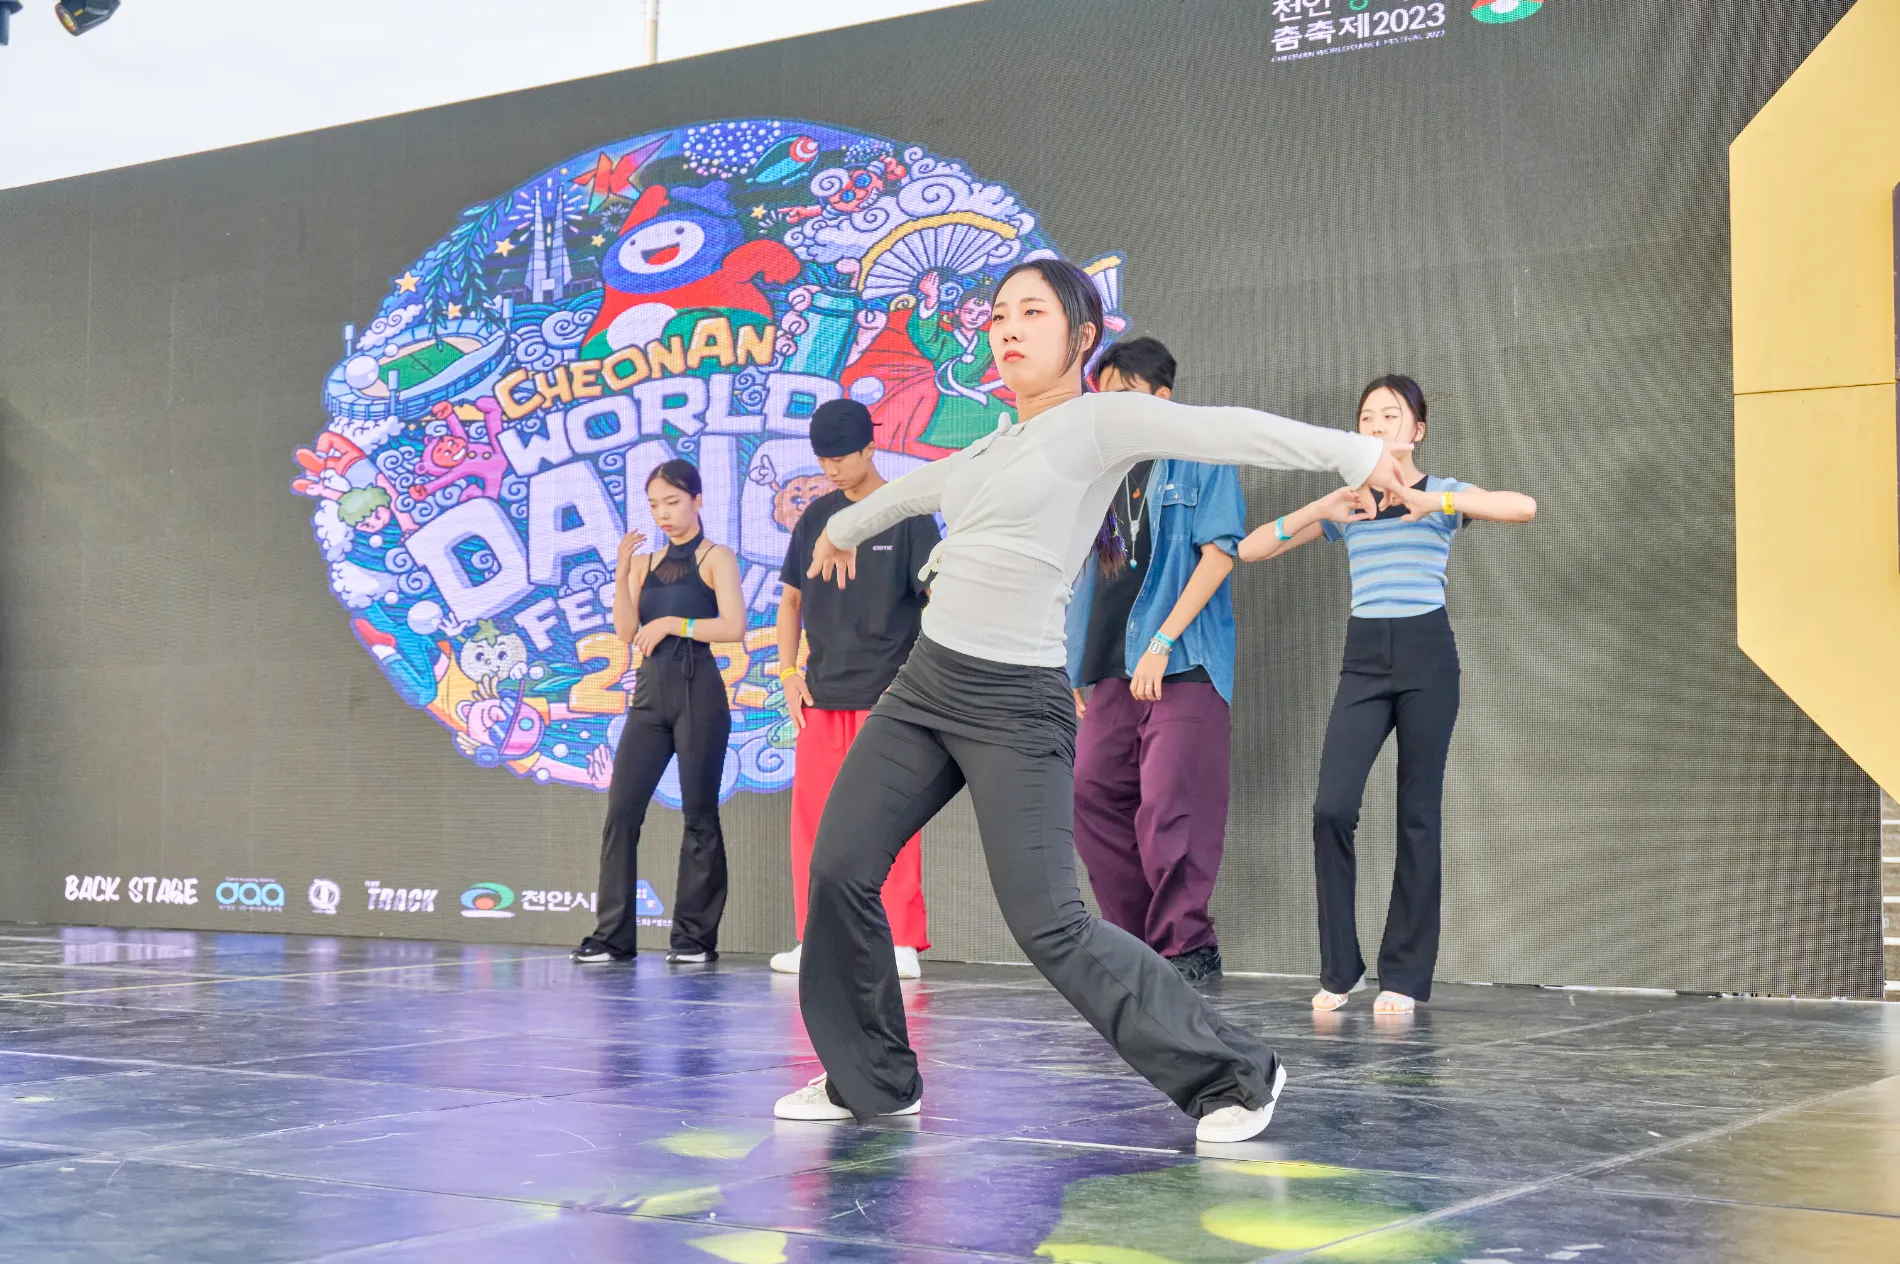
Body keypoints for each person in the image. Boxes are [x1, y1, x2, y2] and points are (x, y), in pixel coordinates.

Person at [771, 257, 1412, 1144]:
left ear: (1081, 338)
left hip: (1013, 699)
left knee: (1050, 923)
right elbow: (915, 489)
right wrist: (842, 526)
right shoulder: (992, 446)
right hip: (926, 686)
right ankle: (870, 1077)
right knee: (839, 867)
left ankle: (1236, 1073)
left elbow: (1227, 430)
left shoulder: (1100, 421)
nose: (1007, 326)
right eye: (999, 313)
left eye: (1032, 312)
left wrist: (1358, 452)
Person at [1237, 375, 1535, 1014]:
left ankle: (1404, 976)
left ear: (1417, 429)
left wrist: (1438, 504)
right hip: (1365, 660)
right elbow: (1252, 548)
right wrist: (1319, 510)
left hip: (1428, 656)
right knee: (1331, 808)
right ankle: (1340, 969)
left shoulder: (1442, 494)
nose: (1377, 426)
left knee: (1418, 814)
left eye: (1390, 415)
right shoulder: (1351, 503)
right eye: (1367, 417)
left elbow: (1523, 507)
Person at [1064, 336, 1242, 987]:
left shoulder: (1202, 455)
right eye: (1104, 395)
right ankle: (1138, 945)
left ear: (1163, 398)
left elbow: (1219, 555)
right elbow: (1087, 576)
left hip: (1183, 661)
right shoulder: (1100, 475)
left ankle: (1186, 944)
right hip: (1112, 667)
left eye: (1127, 395)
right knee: (1090, 792)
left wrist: (1163, 641)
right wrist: (1073, 666)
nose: (1113, 407)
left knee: (1171, 803)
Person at [773, 399, 941, 980]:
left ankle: (899, 941)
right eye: (824, 460)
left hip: (889, 699)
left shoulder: (909, 515)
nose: (833, 470)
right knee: (814, 823)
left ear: (871, 448)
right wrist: (788, 673)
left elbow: (937, 599)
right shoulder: (815, 518)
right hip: (821, 697)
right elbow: (791, 601)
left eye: (842, 458)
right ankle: (814, 938)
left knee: (890, 818)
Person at [573, 460, 746, 966]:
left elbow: (733, 626)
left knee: (699, 815)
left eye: (672, 502)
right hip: (649, 696)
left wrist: (674, 622)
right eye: (654, 505)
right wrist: (622, 574)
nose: (663, 514)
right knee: (621, 814)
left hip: (699, 692)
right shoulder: (645, 563)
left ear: (697, 501)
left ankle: (693, 938)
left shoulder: (716, 557)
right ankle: (612, 937)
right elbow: (626, 632)